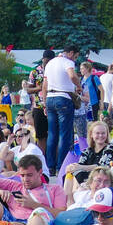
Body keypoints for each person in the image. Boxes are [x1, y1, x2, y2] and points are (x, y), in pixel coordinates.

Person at [42, 44, 80, 178]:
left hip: (50, 99)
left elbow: (44, 85)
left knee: (52, 134)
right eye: (75, 56)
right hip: (63, 98)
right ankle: (61, 167)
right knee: (65, 134)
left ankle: (50, 167)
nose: (75, 60)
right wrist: (79, 86)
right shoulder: (67, 62)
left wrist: (44, 104)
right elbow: (72, 76)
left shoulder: (50, 63)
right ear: (70, 53)